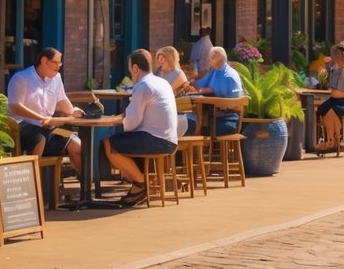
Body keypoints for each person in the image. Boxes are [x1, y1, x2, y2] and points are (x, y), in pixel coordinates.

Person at [103, 49, 179, 207]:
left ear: (136, 68)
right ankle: (138, 184)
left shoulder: (142, 85)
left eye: (130, 69)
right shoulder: (161, 82)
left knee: (109, 143)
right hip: (170, 140)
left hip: (156, 140)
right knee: (128, 140)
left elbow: (132, 122)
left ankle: (140, 184)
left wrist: (114, 122)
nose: (131, 73)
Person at [7, 47, 84, 175]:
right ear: (44, 61)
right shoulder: (21, 78)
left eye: (60, 62)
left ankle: (85, 186)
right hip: (23, 127)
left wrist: (73, 111)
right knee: (39, 138)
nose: (59, 66)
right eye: (55, 62)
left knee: (77, 144)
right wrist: (41, 118)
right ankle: (32, 183)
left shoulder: (56, 78)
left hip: (49, 127)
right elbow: (15, 106)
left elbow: (61, 99)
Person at [315, 42, 344, 155]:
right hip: (340, 100)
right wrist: (323, 75)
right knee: (325, 107)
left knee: (332, 109)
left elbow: (339, 94)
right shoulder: (338, 69)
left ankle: (334, 141)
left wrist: (329, 91)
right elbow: (331, 85)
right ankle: (332, 140)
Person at [190, 46, 244, 136]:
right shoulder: (216, 70)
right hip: (218, 115)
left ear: (216, 59)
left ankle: (203, 148)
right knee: (196, 122)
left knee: (197, 127)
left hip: (229, 119)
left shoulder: (228, 76)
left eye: (210, 59)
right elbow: (202, 84)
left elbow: (232, 104)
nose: (208, 61)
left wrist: (210, 90)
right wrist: (195, 84)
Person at [155, 46, 196, 136]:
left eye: (163, 58)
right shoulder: (158, 72)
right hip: (163, 111)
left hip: (180, 115)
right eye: (159, 57)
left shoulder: (178, 73)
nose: (160, 61)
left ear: (170, 58)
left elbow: (165, 92)